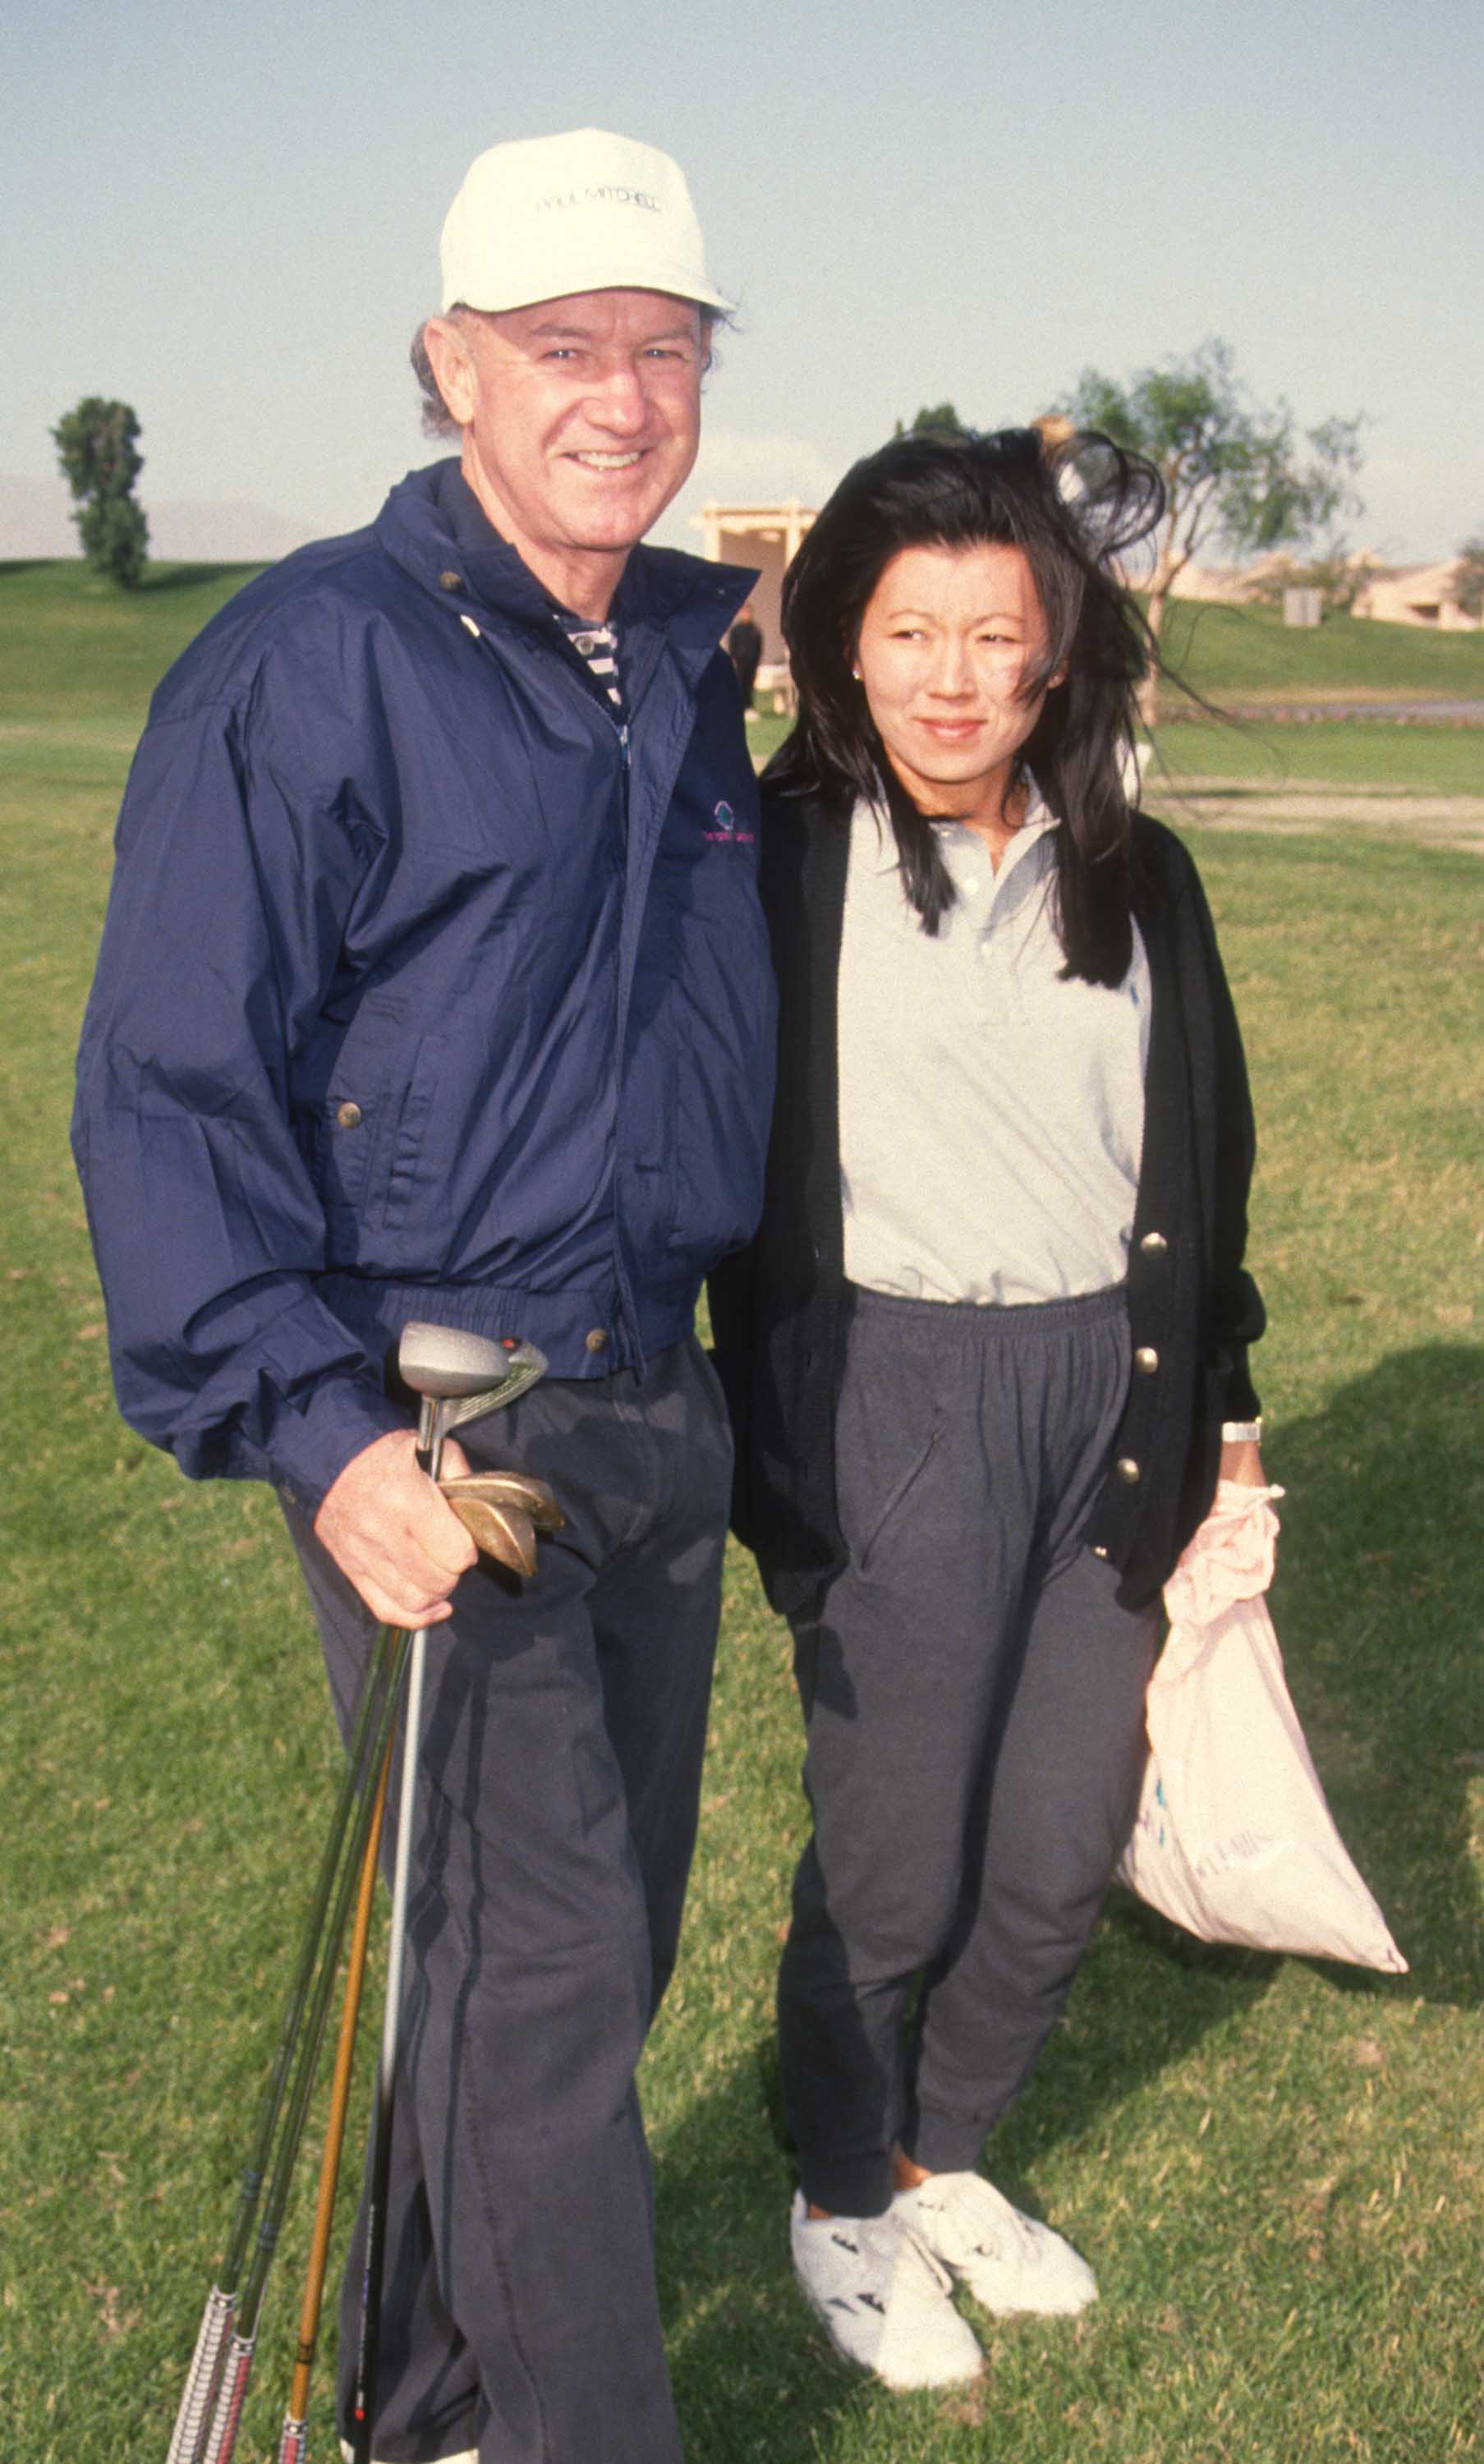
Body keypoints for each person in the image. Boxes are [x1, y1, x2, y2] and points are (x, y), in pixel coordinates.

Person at [72, 128, 774, 2464]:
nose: (618, 397)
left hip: (652, 1407)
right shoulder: (305, 666)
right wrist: (315, 1432)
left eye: (660, 352)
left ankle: (429, 2398)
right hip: (436, 1429)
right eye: (562, 349)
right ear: (448, 364)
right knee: (546, 1985)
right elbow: (172, 1087)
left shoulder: (686, 660)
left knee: (548, 1977)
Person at [709, 425, 1266, 2390]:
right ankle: (838, 2190)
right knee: (895, 1861)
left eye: (995, 632)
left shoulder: (1142, 874)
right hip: (893, 1397)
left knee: (1052, 1843)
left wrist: (1235, 1423)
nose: (952, 674)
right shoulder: (772, 859)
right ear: (841, 649)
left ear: (1056, 654)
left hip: (1108, 1396)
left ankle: (940, 2153)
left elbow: (1201, 1160)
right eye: (909, 629)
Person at [727, 597, 764, 715]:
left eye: (749, 611)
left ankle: (749, 707)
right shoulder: (736, 630)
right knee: (741, 684)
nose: (747, 614)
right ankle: (740, 707)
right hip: (740, 662)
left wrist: (757, 660)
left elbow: (759, 646)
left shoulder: (755, 629)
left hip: (752, 662)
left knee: (750, 684)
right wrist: (736, 658)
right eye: (744, 612)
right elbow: (732, 647)